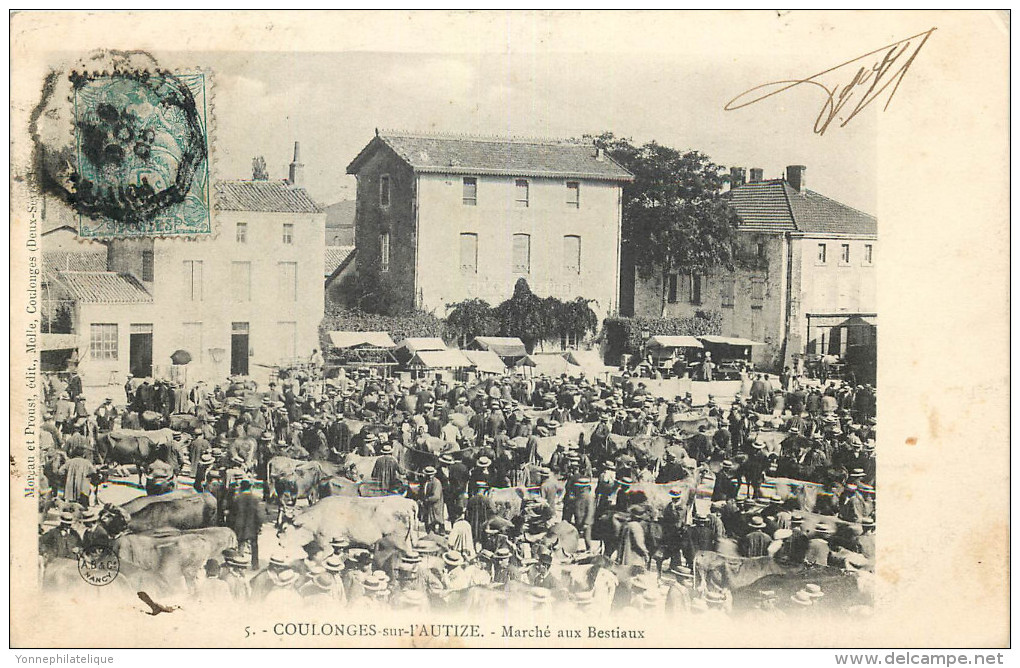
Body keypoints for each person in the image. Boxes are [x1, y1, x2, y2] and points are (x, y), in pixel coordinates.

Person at [230, 479, 263, 569]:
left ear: (241, 488)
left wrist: (232, 525)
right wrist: (260, 525)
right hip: (252, 525)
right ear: (250, 487)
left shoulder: (237, 499)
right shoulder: (255, 498)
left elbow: (232, 513)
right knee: (254, 545)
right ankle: (255, 564)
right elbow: (259, 514)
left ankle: (239, 563)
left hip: (240, 525)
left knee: (240, 544)